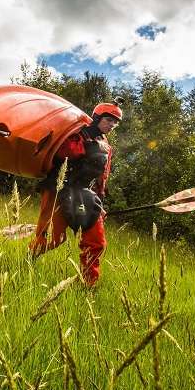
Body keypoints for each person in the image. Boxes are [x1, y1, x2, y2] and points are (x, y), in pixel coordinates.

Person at [28, 99, 123, 286]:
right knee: (53, 238)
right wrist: (81, 142)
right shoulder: (75, 133)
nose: (112, 124)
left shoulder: (106, 146)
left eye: (115, 121)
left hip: (84, 195)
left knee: (96, 242)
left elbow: (102, 176)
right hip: (57, 189)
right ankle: (28, 260)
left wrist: (100, 203)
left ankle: (88, 285)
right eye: (109, 119)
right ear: (97, 117)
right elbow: (60, 153)